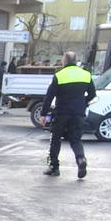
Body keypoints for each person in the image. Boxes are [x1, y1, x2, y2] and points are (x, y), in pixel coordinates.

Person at [41, 51, 97, 179]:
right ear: (76, 61)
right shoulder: (86, 75)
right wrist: (83, 103)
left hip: (61, 112)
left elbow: (49, 96)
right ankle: (80, 158)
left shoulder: (59, 75)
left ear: (64, 61)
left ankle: (54, 167)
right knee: (76, 139)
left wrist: (43, 114)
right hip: (78, 113)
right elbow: (93, 94)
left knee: (55, 139)